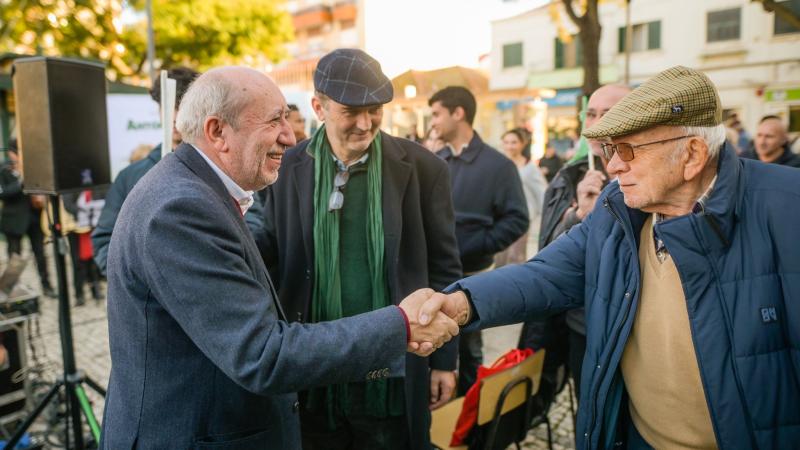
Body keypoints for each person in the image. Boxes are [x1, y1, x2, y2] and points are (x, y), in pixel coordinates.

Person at [412, 66, 800, 449]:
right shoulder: (618, 207)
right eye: (611, 149)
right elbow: (546, 274)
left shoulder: (788, 209)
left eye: (627, 149)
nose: (613, 165)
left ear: (692, 154)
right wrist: (460, 302)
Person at [100, 66, 459, 449]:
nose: (289, 136)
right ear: (217, 131)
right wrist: (401, 325)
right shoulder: (182, 209)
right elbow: (262, 354)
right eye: (274, 121)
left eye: (287, 119)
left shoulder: (194, 191)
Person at [257, 49, 462, 450]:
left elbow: (445, 270)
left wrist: (444, 361)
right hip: (311, 374)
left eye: (374, 110)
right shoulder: (284, 167)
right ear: (319, 107)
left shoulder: (425, 168)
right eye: (351, 111)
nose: (365, 123)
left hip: (394, 373)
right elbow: (271, 256)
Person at [519, 84, 631, 403]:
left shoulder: (649, 175)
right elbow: (550, 253)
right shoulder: (568, 178)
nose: (596, 125)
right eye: (591, 115)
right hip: (582, 322)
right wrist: (578, 215)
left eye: (608, 114)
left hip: (635, 325)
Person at [429, 85, 528, 395]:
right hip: (433, 275)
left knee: (470, 351)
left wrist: (476, 244)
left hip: (472, 276)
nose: (432, 122)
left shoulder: (499, 166)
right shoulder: (436, 161)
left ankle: (470, 413)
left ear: (458, 113)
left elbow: (517, 219)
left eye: (436, 114)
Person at [91, 66, 200, 274]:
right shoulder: (130, 176)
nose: (175, 117)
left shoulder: (221, 169)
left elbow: (251, 229)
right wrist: (139, 281)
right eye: (168, 107)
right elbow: (106, 240)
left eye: (182, 107)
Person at [0, 141, 54, 297]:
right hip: (14, 220)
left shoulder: (32, 166)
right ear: (11, 153)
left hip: (34, 218)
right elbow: (3, 193)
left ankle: (47, 286)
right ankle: (9, 289)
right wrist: (21, 182)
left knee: (40, 254)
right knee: (14, 257)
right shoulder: (4, 168)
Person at [494, 128, 547, 266]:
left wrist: (545, 216)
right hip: (498, 218)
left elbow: (542, 194)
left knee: (516, 257)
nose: (509, 146)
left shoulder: (530, 168)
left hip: (520, 218)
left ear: (522, 144)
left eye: (514, 142)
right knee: (499, 257)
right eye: (506, 142)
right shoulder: (497, 165)